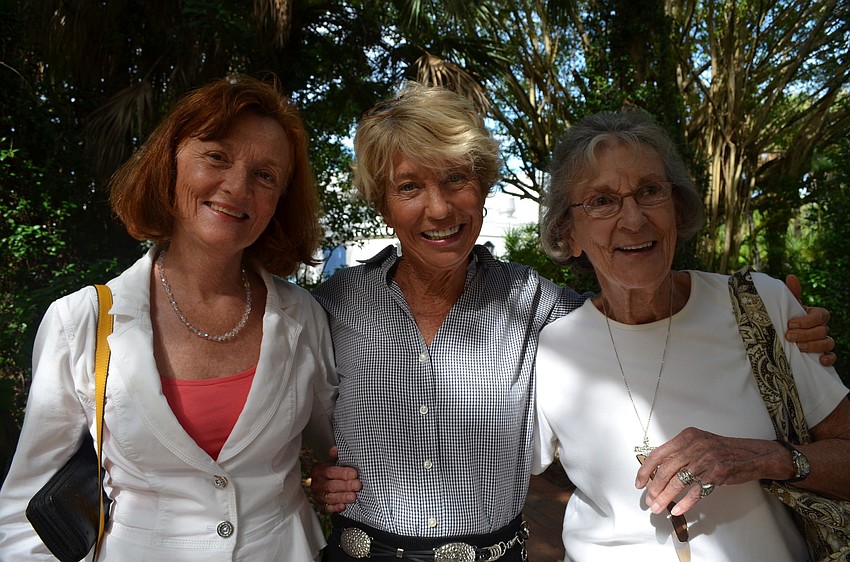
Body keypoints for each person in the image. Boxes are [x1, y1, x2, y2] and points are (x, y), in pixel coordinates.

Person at [309, 82, 835, 560]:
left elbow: (633, 297)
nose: (440, 208)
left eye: (456, 179)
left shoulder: (536, 305)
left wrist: (788, 329)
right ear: (382, 202)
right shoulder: (331, 305)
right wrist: (307, 471)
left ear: (485, 189)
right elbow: (272, 404)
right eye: (408, 188)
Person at [0, 75, 337, 561]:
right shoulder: (82, 321)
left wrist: (340, 479)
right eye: (217, 156)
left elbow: (344, 449)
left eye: (265, 176)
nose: (237, 187)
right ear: (170, 164)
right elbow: (25, 509)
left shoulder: (304, 316)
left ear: (279, 202)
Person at [533, 108, 850, 561]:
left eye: (650, 191)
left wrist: (766, 457)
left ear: (677, 210)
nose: (634, 219)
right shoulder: (551, 349)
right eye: (602, 201)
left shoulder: (760, 307)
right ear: (569, 232)